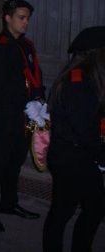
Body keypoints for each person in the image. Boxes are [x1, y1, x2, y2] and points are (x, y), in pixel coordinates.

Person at [0, 0, 44, 232]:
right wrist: (25, 102)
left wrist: (39, 100)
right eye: (21, 17)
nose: (26, 22)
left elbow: (34, 75)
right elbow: (1, 86)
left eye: (28, 18)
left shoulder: (26, 45)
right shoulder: (0, 47)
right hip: (5, 113)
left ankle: (9, 203)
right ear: (7, 18)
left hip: (25, 113)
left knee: (16, 160)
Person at [42, 26, 105, 251]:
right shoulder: (78, 81)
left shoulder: (84, 78)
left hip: (73, 155)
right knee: (80, 209)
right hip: (72, 158)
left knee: (67, 210)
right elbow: (84, 127)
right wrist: (101, 155)